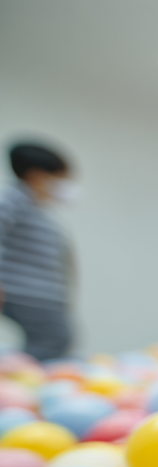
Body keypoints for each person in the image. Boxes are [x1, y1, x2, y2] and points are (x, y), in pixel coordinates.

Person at [0, 142, 78, 361]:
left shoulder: (35, 209)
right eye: (59, 178)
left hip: (39, 293)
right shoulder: (15, 199)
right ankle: (14, 374)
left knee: (55, 341)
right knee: (52, 342)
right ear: (36, 176)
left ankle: (18, 372)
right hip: (25, 292)